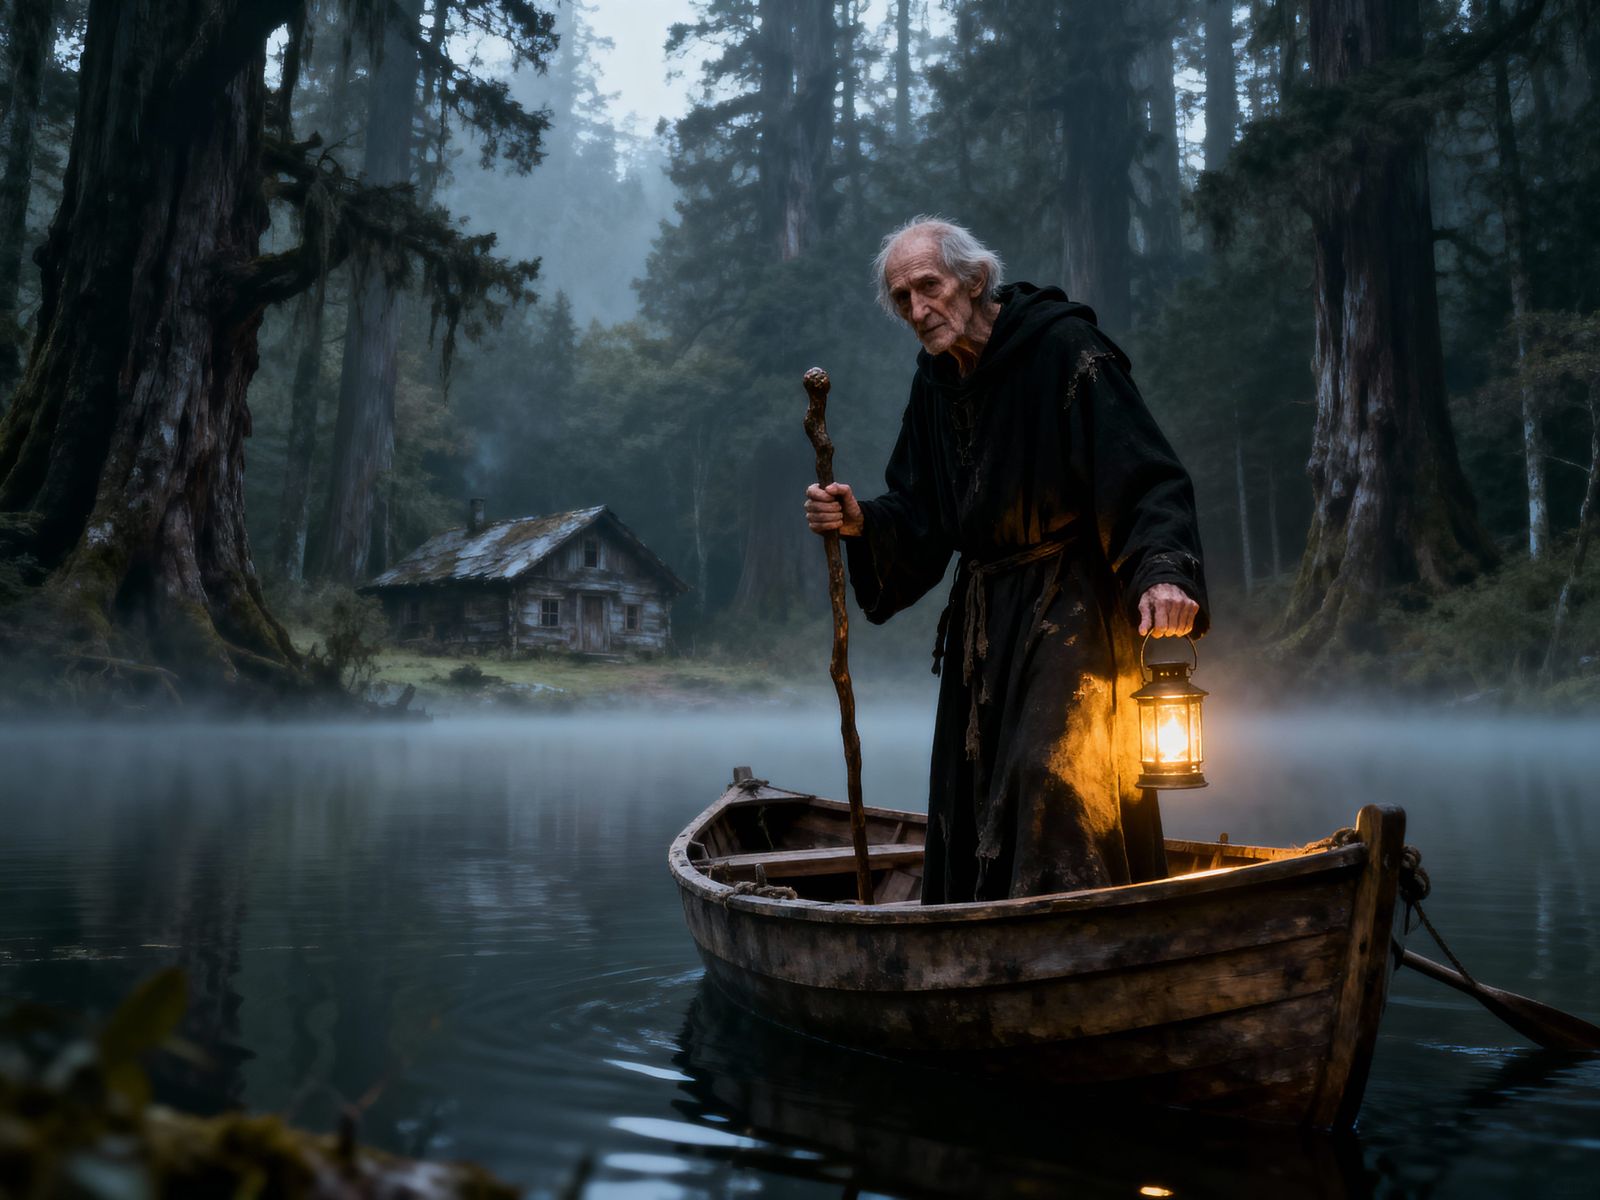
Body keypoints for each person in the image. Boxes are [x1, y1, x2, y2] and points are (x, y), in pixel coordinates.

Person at [803, 217, 1209, 904]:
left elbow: (1144, 475)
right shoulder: (934, 382)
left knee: (1052, 775)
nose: (918, 309)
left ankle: (1076, 944)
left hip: (1072, 606)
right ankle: (980, 945)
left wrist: (1162, 571)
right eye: (902, 298)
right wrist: (861, 520)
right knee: (975, 785)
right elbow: (923, 508)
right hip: (985, 621)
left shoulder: (1065, 350)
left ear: (974, 279)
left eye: (927, 287)